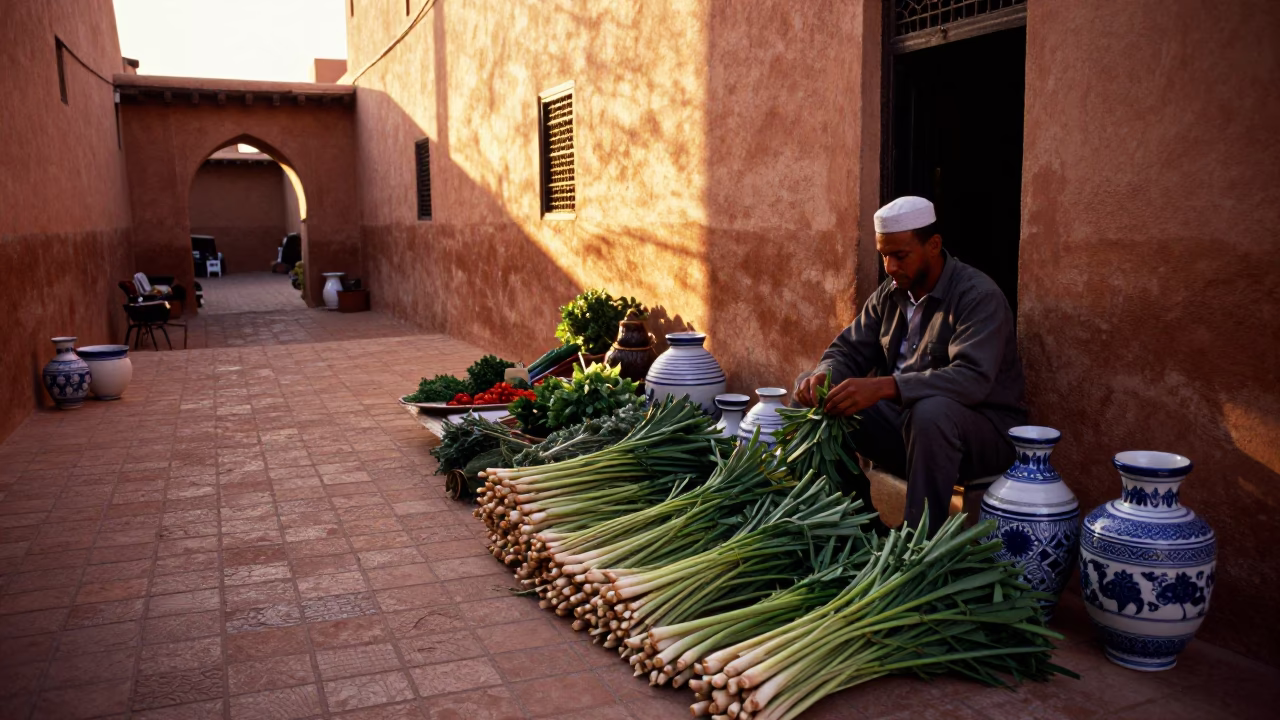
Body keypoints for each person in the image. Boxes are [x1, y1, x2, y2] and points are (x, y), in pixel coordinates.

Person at [795, 196, 1028, 534]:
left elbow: (972, 379)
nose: (890, 267)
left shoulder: (978, 296)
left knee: (931, 412)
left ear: (933, 245)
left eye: (900, 256)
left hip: (982, 436)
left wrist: (886, 386)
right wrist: (822, 375)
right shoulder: (889, 295)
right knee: (815, 392)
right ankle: (858, 526)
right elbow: (847, 350)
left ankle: (917, 546)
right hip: (909, 431)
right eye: (884, 256)